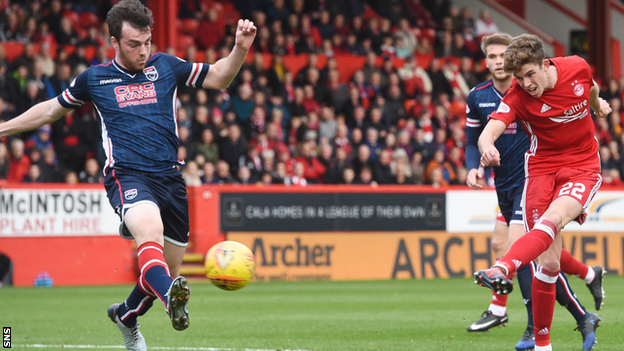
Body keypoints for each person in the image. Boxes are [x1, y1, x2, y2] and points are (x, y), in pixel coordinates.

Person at [0, 1, 256, 350]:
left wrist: (239, 49)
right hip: (128, 176)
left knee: (166, 271)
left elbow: (220, 76)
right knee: (151, 236)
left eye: (147, 42)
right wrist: (3, 129)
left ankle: (126, 315)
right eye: (134, 44)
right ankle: (170, 299)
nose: (143, 50)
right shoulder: (95, 78)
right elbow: (49, 111)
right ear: (114, 42)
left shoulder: (166, 66)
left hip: (170, 179)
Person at [465, 33, 607, 351]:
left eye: (530, 74)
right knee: (549, 263)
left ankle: (503, 267)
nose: (526, 83)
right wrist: (486, 149)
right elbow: (488, 132)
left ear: (545, 64)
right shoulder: (516, 95)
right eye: (519, 78)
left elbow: (592, 88)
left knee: (554, 218)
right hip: (540, 170)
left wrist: (598, 106)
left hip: (582, 165)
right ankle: (543, 345)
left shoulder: (577, 67)